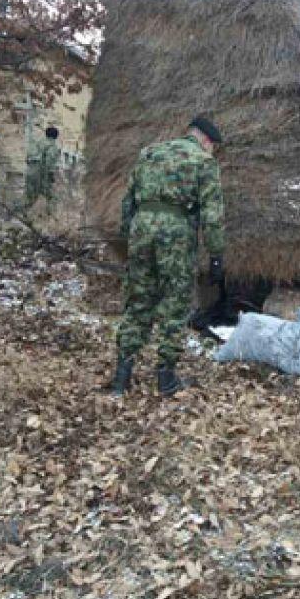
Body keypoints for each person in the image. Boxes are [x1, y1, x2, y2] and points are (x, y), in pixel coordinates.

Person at [108, 116, 226, 397]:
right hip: (176, 233)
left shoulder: (149, 153)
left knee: (138, 300)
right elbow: (212, 214)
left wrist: (129, 236)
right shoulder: (203, 162)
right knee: (175, 302)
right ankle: (166, 378)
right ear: (207, 141)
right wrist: (216, 254)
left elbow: (129, 201)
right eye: (213, 147)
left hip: (142, 229)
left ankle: (121, 378)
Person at [24, 126, 62, 208]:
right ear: (56, 136)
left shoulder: (37, 143)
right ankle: (50, 216)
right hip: (41, 173)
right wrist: (51, 175)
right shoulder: (52, 146)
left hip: (30, 171)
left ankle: (17, 214)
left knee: (29, 197)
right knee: (50, 197)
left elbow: (27, 158)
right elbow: (49, 162)